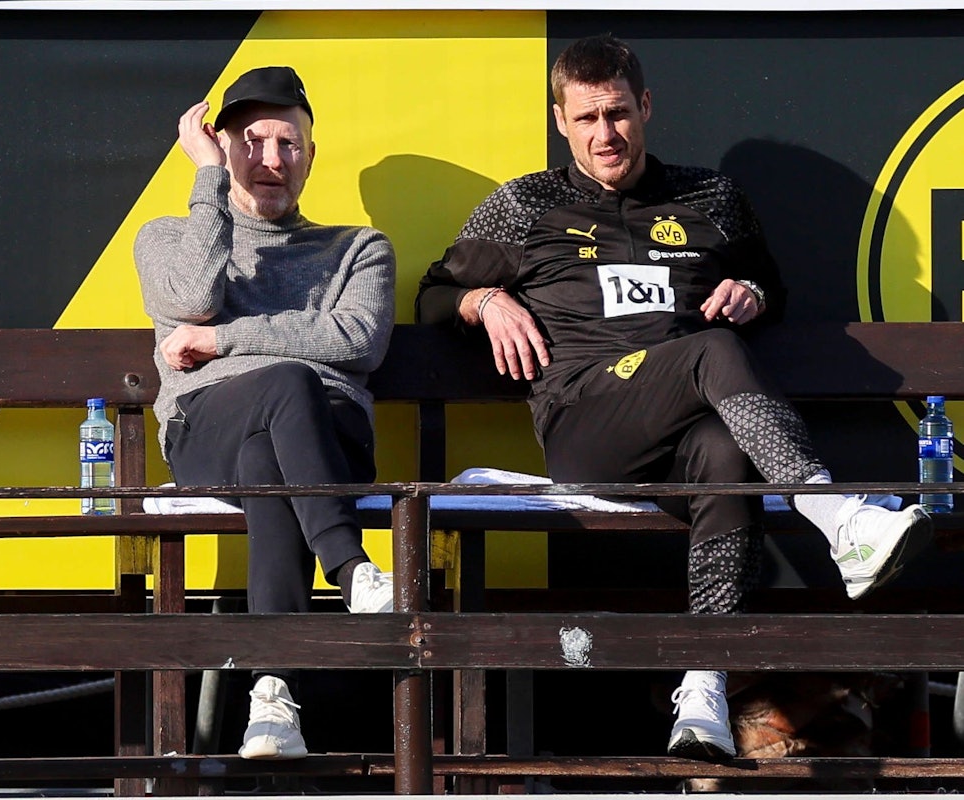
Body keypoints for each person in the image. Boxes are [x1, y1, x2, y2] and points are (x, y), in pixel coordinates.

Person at [415, 34, 933, 762]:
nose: (606, 135)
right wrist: (485, 299)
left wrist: (750, 292)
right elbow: (434, 294)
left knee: (725, 451)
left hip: (688, 431)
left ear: (646, 106)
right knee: (712, 351)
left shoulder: (708, 197)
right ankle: (836, 512)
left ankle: (703, 687)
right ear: (560, 120)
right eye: (587, 118)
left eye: (619, 114)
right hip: (587, 425)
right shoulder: (524, 205)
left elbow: (768, 285)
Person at [134, 65, 396, 761]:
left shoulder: (358, 248)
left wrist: (223, 339)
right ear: (221, 146)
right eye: (251, 142)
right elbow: (190, 298)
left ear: (311, 155)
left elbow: (357, 341)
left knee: (269, 452)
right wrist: (207, 183)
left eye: (289, 144)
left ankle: (272, 697)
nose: (271, 160)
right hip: (204, 432)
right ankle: (350, 571)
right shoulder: (167, 237)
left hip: (330, 441)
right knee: (282, 387)